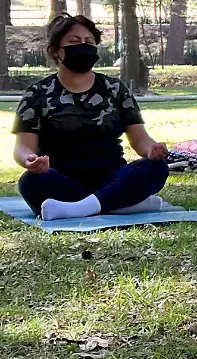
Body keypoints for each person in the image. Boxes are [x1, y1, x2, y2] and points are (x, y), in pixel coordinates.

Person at [10, 14, 169, 220]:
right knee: (31, 182)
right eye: (74, 42)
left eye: (89, 42)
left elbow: (140, 140)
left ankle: (80, 207)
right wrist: (29, 160)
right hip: (60, 177)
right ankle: (118, 203)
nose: (83, 46)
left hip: (112, 175)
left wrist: (152, 150)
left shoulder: (114, 89)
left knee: (155, 168)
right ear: (56, 51)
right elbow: (23, 147)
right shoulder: (37, 93)